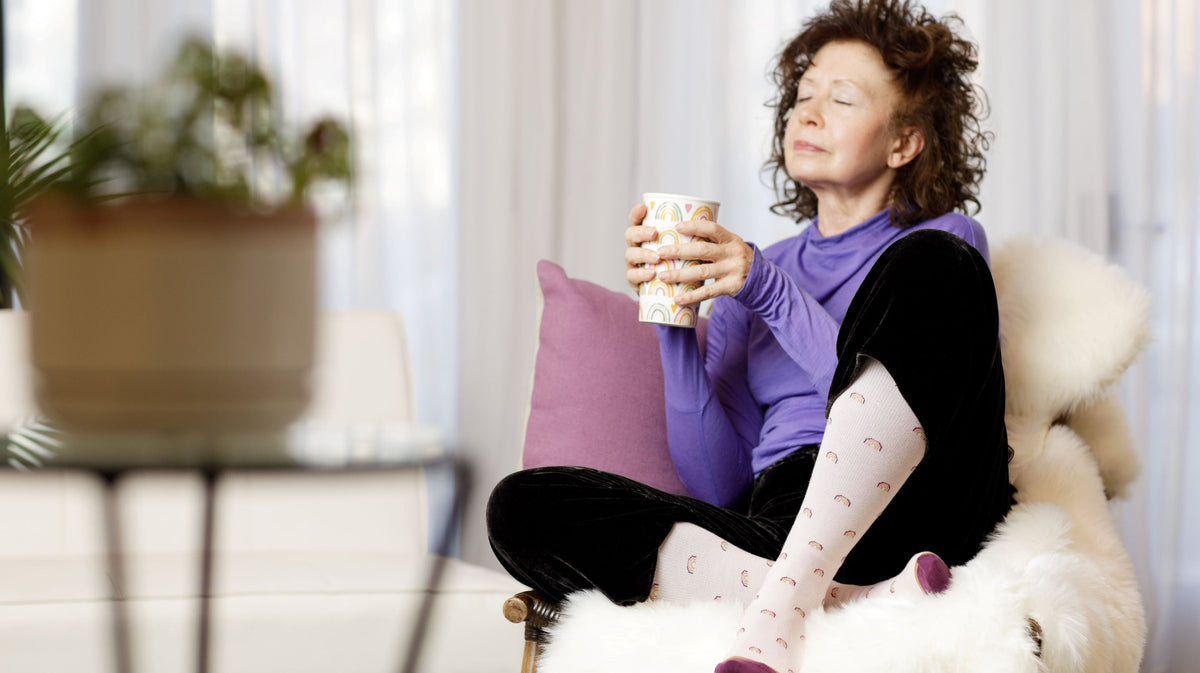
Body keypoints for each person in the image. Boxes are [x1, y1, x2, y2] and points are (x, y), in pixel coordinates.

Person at [486, 1, 1014, 672]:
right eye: (802, 95)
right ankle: (846, 596)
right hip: (780, 517)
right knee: (522, 506)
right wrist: (674, 322)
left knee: (931, 266)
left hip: (913, 502)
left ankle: (784, 603)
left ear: (904, 142)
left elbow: (875, 387)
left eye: (842, 98)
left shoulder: (941, 249)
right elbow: (719, 481)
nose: (807, 113)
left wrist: (764, 285)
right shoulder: (748, 275)